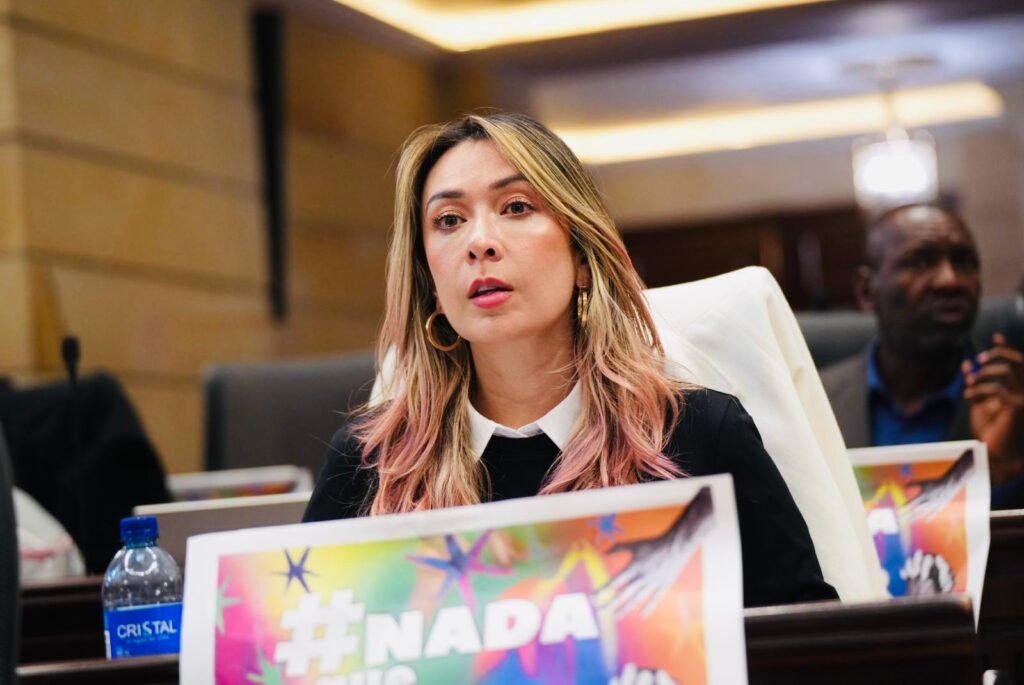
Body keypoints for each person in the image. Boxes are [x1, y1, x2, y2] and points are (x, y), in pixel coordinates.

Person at [304, 112, 836, 608]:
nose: (479, 242)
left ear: (582, 256)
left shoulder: (699, 434)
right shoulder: (369, 465)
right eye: (448, 219)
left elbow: (806, 647)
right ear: (429, 282)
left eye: (516, 207)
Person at [821, 204, 1024, 508]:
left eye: (964, 262)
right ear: (866, 291)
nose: (950, 280)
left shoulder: (1013, 404)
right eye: (920, 261)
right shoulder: (813, 402)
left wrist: (1001, 470)